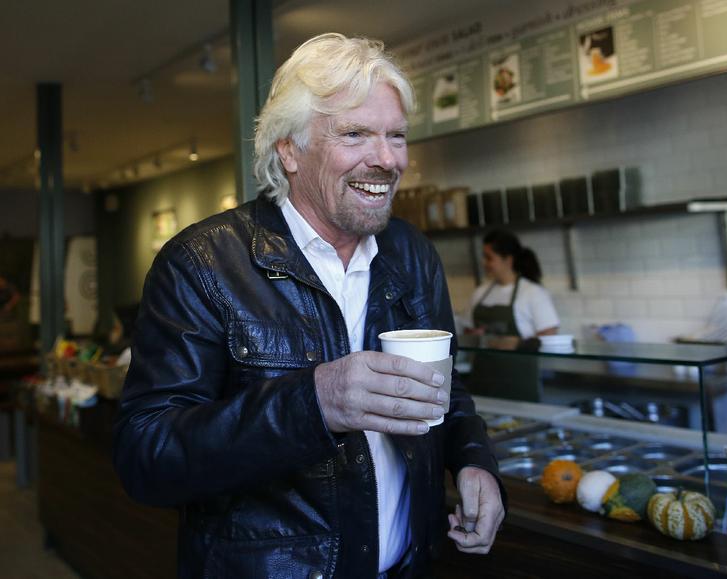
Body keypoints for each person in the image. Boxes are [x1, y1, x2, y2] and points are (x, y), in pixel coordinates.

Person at [113, 33, 504, 579]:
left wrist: (473, 460)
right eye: (355, 134)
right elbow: (146, 457)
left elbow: (445, 390)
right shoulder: (202, 263)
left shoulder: (411, 255)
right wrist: (313, 403)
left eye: (397, 136)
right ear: (289, 150)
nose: (388, 159)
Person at [465, 229, 559, 338]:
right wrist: (473, 334)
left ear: (508, 260)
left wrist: (519, 344)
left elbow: (549, 333)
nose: (484, 263)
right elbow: (466, 327)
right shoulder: (480, 292)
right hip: (483, 355)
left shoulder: (532, 292)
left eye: (489, 258)